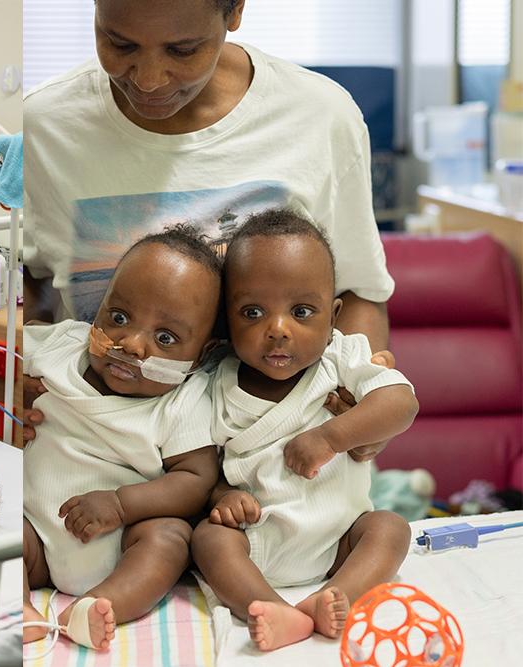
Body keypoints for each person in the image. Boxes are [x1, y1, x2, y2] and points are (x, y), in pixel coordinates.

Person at [22, 0, 395, 458]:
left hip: (283, 467)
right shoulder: (46, 124)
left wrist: (363, 397)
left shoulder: (320, 117)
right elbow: (28, 281)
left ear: (235, 11)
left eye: (183, 50)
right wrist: (21, 366)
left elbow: (359, 293)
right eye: (120, 44)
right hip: (101, 462)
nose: (148, 78)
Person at [190, 210, 417, 651]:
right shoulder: (214, 384)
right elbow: (202, 468)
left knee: (389, 528)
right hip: (257, 545)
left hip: (340, 544)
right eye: (252, 312)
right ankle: (272, 607)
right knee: (208, 539)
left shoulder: (342, 359)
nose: (277, 329)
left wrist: (332, 437)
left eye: (301, 311)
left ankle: (334, 597)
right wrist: (224, 498)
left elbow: (401, 403)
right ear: (226, 319)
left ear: (332, 316)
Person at [23, 225, 222, 651]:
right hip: (36, 532)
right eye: (118, 318)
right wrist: (11, 385)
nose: (131, 344)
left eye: (165, 339)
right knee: (4, 531)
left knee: (170, 539)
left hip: (123, 541)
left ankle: (98, 605)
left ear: (201, 355)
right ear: (97, 310)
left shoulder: (182, 402)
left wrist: (120, 504)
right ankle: (19, 606)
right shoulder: (61, 347)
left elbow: (195, 481)